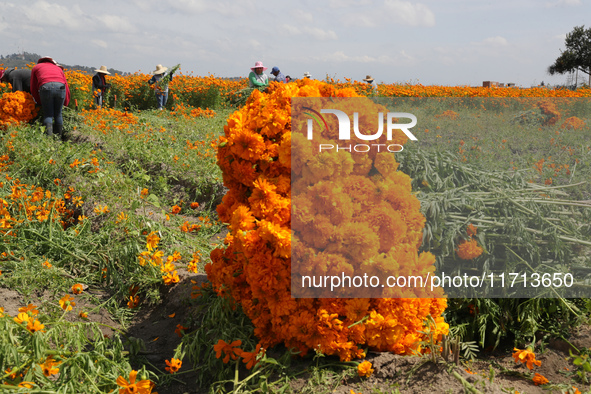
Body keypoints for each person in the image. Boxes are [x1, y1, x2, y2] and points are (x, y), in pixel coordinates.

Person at [30, 56, 71, 139]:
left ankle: (49, 140)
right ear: (51, 62)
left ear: (40, 61)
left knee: (48, 115)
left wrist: (39, 102)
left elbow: (33, 87)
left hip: (46, 87)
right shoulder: (58, 68)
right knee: (58, 114)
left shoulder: (36, 67)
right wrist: (66, 102)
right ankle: (58, 139)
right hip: (61, 87)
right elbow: (66, 86)